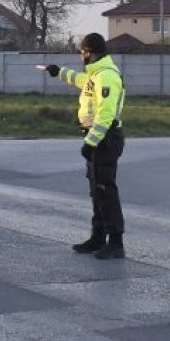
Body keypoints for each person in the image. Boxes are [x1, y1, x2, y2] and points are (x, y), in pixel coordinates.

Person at [41, 33, 126, 260]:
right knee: (96, 190)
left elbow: (106, 115)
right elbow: (80, 81)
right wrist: (57, 71)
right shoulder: (95, 75)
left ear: (89, 52)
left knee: (105, 190)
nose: (81, 56)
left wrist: (91, 143)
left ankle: (116, 242)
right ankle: (98, 237)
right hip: (98, 138)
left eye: (82, 52)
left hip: (105, 138)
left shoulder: (106, 76)